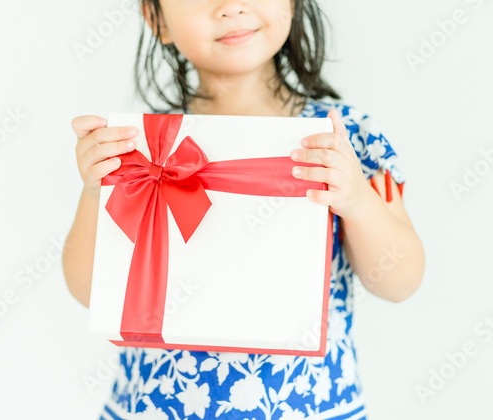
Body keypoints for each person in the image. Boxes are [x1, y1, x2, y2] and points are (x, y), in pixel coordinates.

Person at [64, 0, 425, 418]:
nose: (231, 7)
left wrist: (358, 201)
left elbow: (400, 281)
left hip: (311, 407)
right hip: (154, 407)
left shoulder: (345, 136)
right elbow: (89, 290)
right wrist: (95, 191)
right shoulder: (144, 147)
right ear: (157, 18)